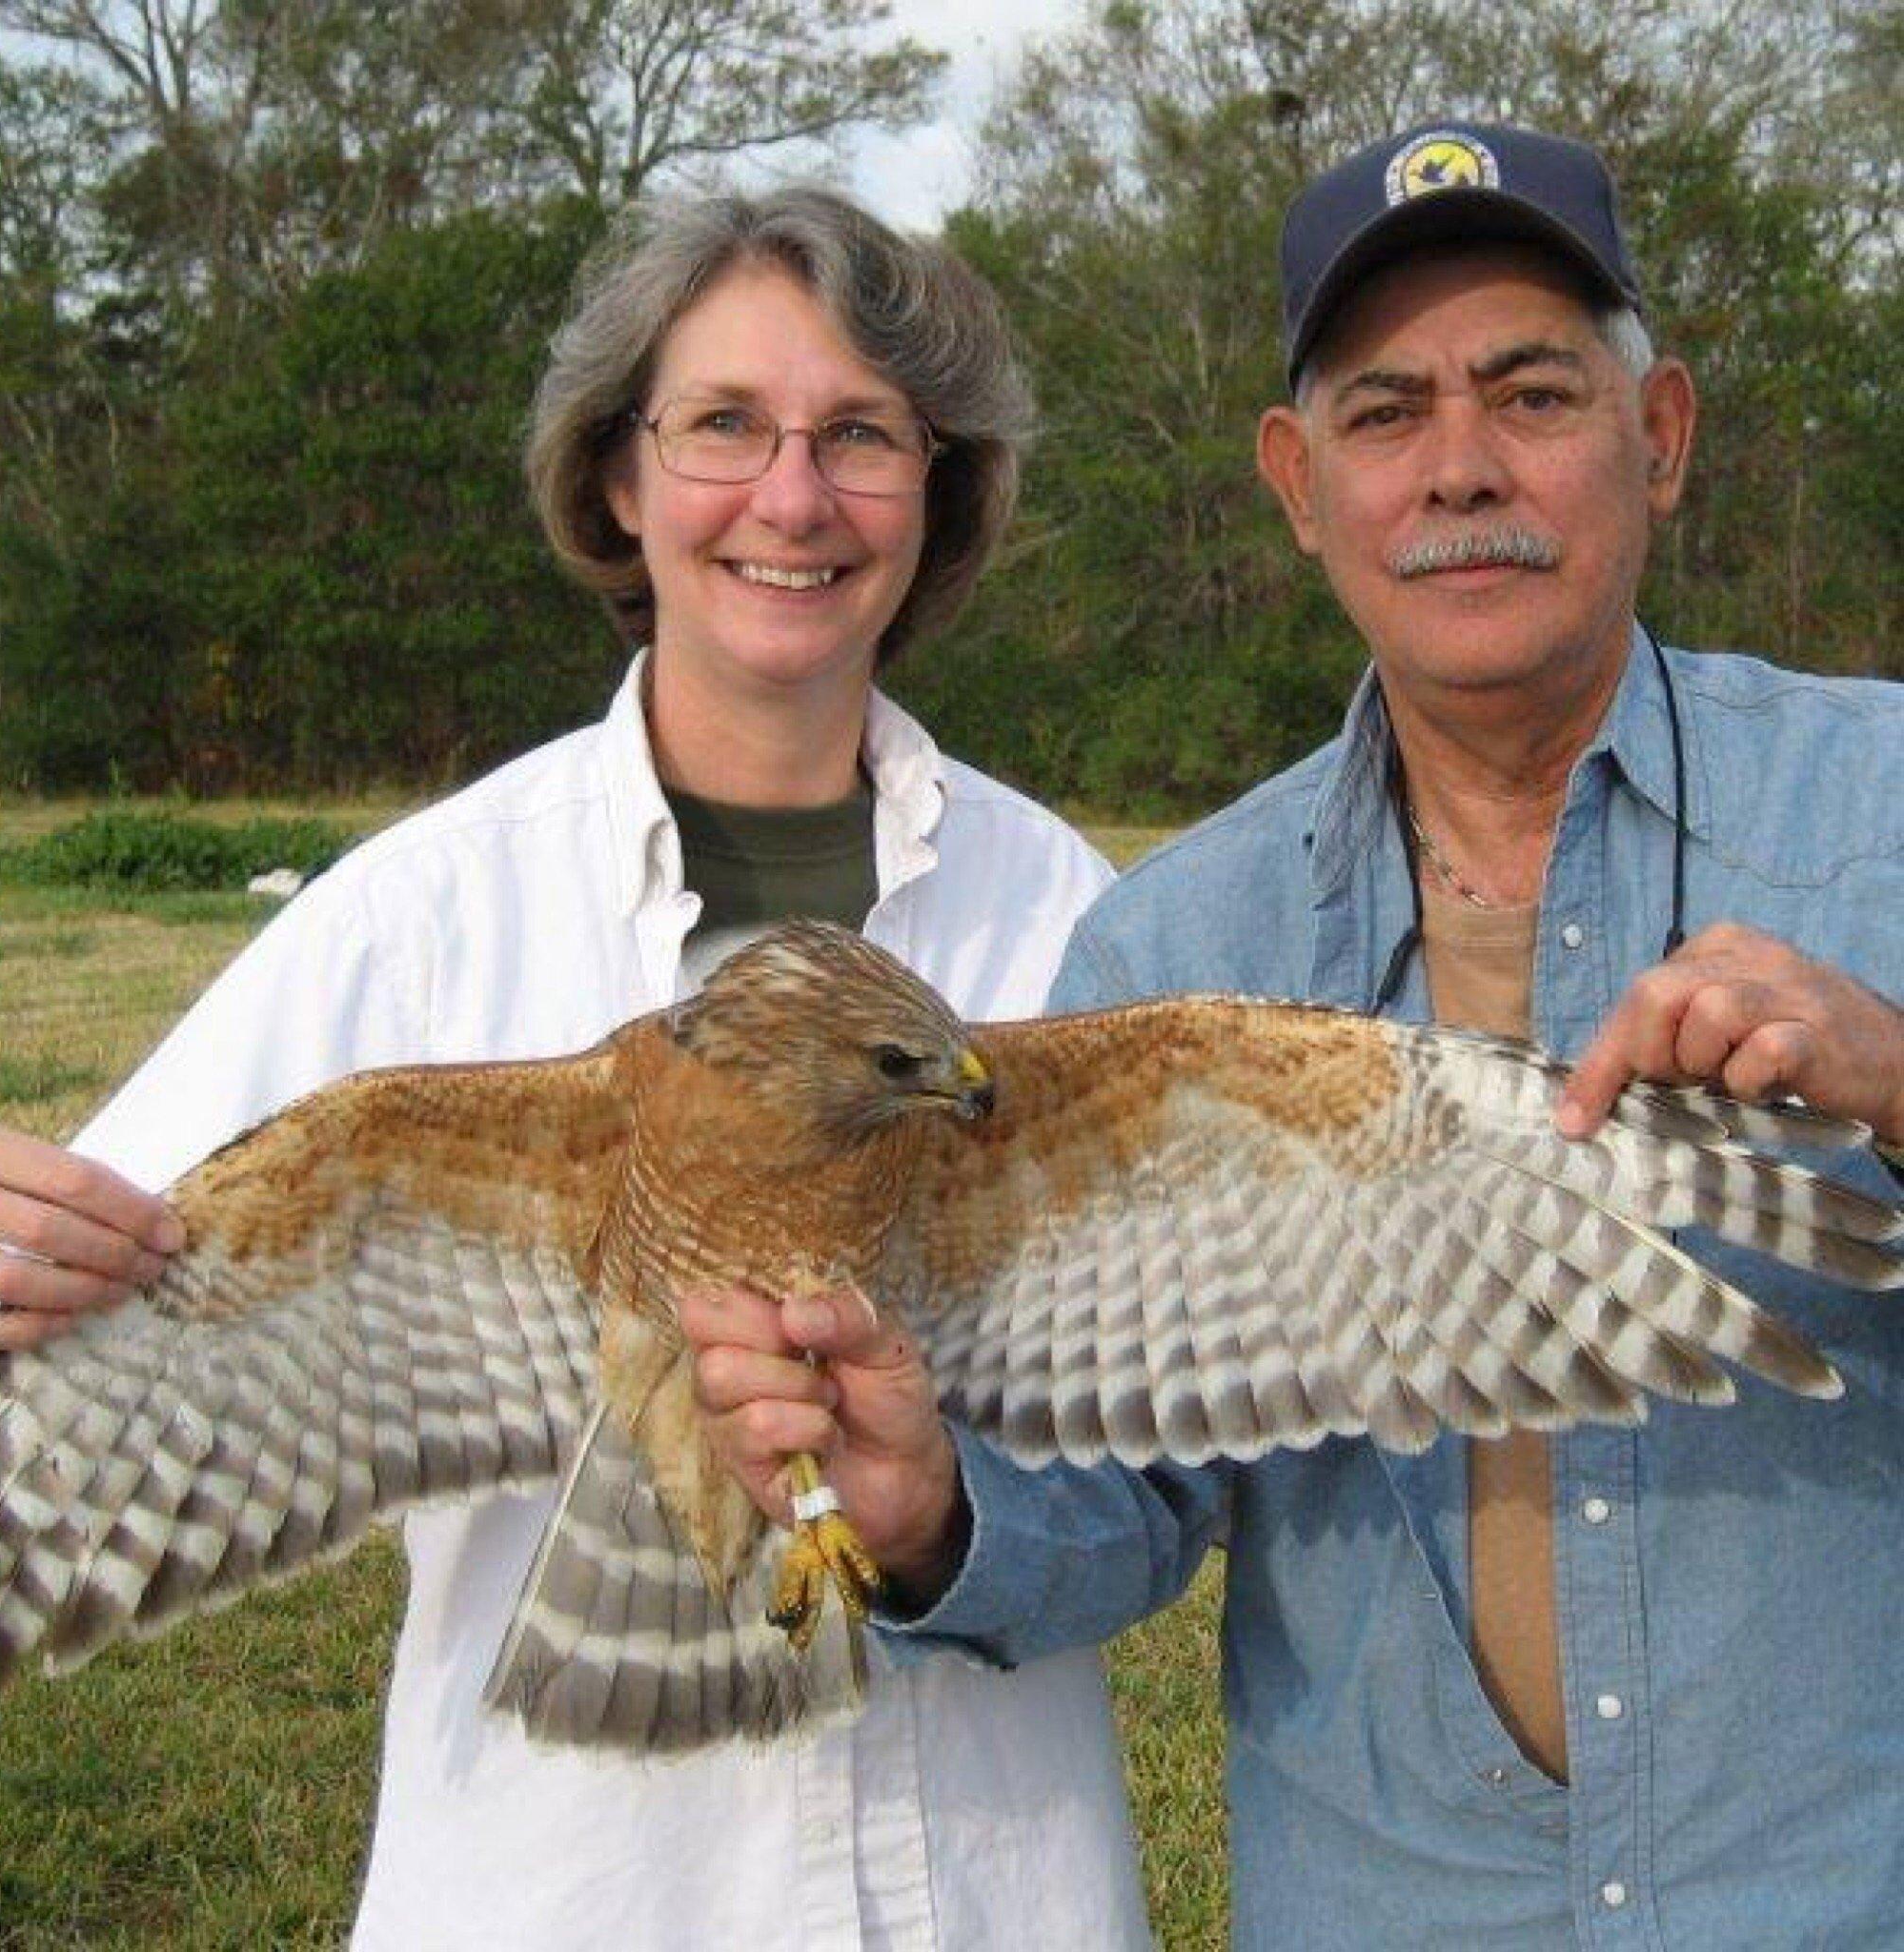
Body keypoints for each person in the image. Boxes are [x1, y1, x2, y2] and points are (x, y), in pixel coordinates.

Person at [685, 126, 1904, 1945]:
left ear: (1660, 435)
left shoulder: (1879, 807)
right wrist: (934, 1511)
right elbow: (1134, 1486)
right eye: (1386, 411)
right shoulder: (1177, 947)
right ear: (1296, 479)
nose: (1461, 469)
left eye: (1531, 392)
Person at [0, 189, 1153, 1950]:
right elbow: (72, 1307)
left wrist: (942, 1525)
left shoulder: (1074, 918)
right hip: (564, 1885)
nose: (793, 497)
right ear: (619, 479)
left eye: (862, 437)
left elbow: (1167, 1497)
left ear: (936, 490)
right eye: (723, 425)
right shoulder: (422, 918)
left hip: (988, 1883)